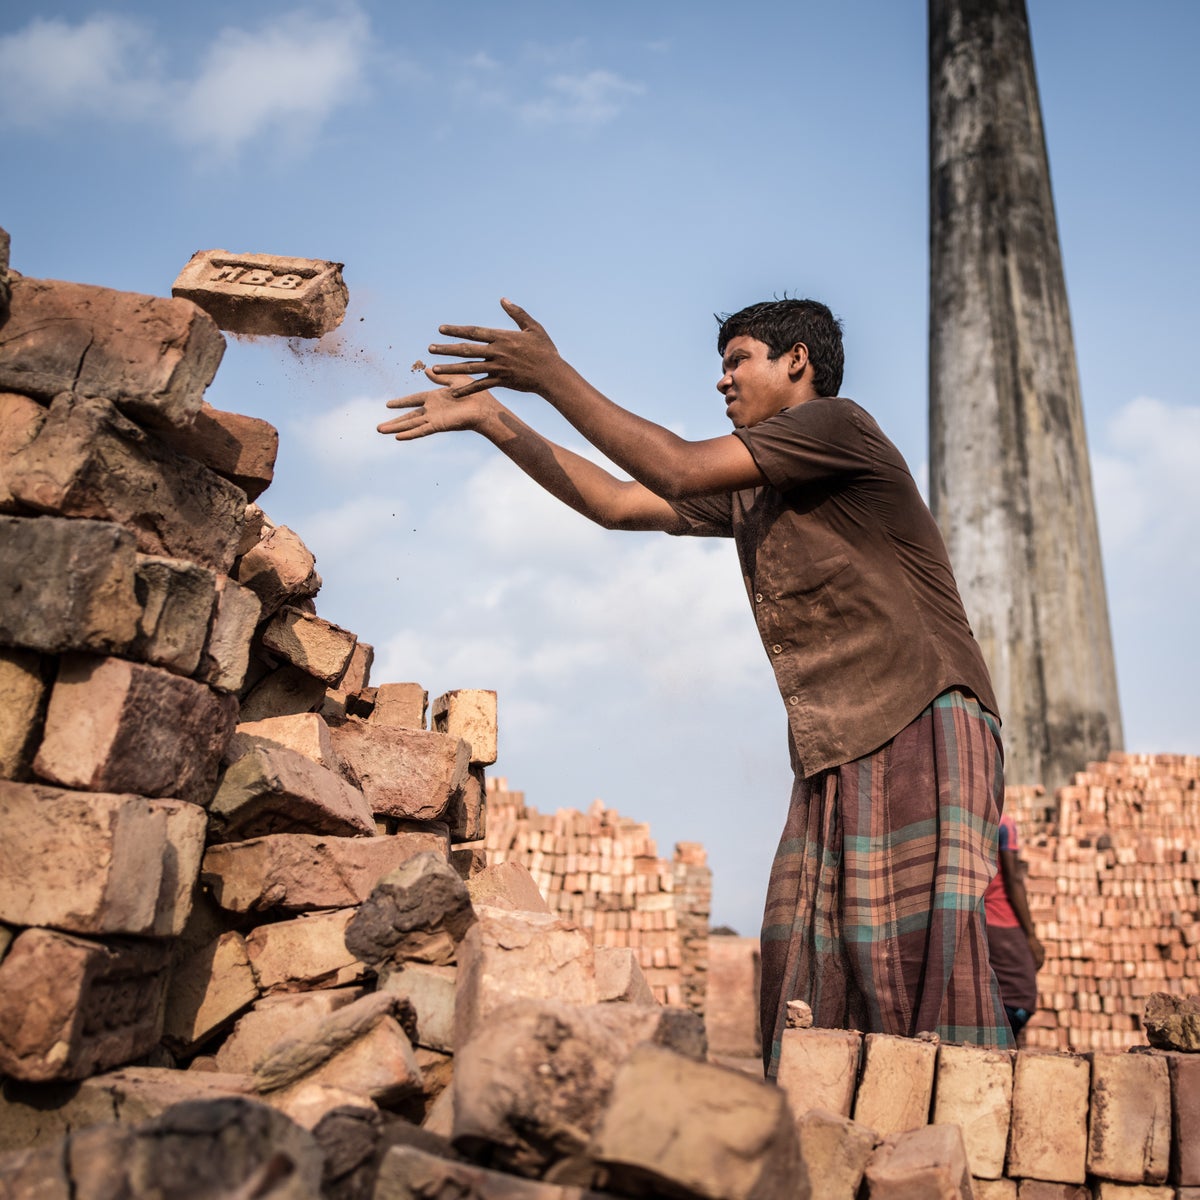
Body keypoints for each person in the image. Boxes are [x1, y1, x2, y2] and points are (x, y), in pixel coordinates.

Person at [378, 296, 1013, 1074]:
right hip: (836, 743)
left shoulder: (839, 425)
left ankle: (962, 1155)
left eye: (737, 359)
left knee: (915, 963)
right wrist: (491, 419)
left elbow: (675, 462)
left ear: (797, 363)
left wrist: (549, 375)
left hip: (920, 713)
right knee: (818, 966)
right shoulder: (755, 484)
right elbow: (616, 503)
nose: (722, 380)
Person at [984, 810, 1045, 1039]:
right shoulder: (1003, 823)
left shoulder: (976, 816)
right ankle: (997, 1043)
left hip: (984, 920)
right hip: (1001, 920)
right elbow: (1013, 878)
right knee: (1022, 998)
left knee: (1003, 992)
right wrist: (1031, 936)